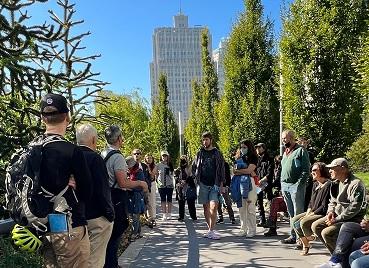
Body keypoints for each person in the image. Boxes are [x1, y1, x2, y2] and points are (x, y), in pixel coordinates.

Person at [38, 93, 92, 268]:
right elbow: (87, 192)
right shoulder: (72, 151)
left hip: (42, 227)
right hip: (70, 226)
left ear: (42, 118)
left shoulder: (31, 148)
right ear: (67, 117)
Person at [101, 125, 148, 268]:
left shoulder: (103, 153)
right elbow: (122, 182)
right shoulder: (117, 157)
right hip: (116, 197)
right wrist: (140, 183)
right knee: (116, 232)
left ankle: (109, 263)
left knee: (108, 234)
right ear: (119, 138)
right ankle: (111, 264)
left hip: (105, 196)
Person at [314, 158, 367, 268]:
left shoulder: (356, 184)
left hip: (352, 218)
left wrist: (337, 219)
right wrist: (330, 212)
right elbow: (332, 201)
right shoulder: (335, 183)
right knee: (316, 226)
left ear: (343, 169)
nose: (330, 171)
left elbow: (354, 208)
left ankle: (339, 261)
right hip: (337, 215)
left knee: (327, 232)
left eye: (333, 168)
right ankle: (335, 259)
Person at [76, 124, 115, 268]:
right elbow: (102, 190)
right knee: (95, 260)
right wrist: (110, 214)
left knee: (80, 259)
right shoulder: (95, 158)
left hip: (74, 218)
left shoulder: (69, 157)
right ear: (93, 139)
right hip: (96, 217)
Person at [291, 162, 331, 256]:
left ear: (321, 170)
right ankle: (307, 244)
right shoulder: (315, 184)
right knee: (294, 221)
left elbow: (324, 206)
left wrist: (311, 214)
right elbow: (311, 201)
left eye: (314, 170)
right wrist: (309, 211)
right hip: (313, 211)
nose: (312, 172)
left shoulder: (328, 185)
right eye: (311, 170)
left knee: (303, 222)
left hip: (322, 212)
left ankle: (311, 237)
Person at [192, 131, 225, 240]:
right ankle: (210, 230)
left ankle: (212, 229)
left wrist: (221, 184)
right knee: (205, 207)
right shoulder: (200, 153)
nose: (204, 142)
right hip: (203, 184)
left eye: (206, 139)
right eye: (203, 140)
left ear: (211, 140)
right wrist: (195, 178)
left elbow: (222, 169)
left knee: (214, 206)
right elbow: (194, 167)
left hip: (214, 184)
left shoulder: (217, 153)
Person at [280, 129, 311, 244]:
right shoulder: (285, 152)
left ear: (292, 138)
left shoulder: (300, 151)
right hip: (285, 185)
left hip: (295, 186)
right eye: (282, 138)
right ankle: (293, 235)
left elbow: (305, 170)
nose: (283, 140)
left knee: (298, 213)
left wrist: (299, 184)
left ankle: (300, 239)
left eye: (285, 138)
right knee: (291, 213)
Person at [233, 140, 258, 237]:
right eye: (241, 147)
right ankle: (243, 229)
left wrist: (239, 171)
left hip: (250, 183)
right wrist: (242, 171)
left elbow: (249, 171)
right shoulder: (238, 157)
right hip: (240, 183)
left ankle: (252, 230)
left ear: (249, 147)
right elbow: (234, 171)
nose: (242, 149)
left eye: (244, 147)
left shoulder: (253, 157)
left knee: (250, 207)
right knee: (241, 208)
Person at [126, 156, 145, 241]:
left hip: (137, 196)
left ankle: (134, 234)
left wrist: (130, 187)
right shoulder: (128, 172)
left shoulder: (139, 172)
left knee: (135, 215)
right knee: (133, 215)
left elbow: (141, 186)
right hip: (130, 196)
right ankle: (139, 232)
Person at [132, 149, 153, 228]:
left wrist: (148, 186)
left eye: (138, 153)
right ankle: (137, 228)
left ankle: (149, 220)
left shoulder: (144, 166)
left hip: (144, 189)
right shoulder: (130, 165)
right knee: (136, 210)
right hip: (135, 191)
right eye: (135, 154)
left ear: (141, 155)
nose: (136, 155)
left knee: (147, 204)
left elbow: (149, 177)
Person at [255, 143, 274, 227]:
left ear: (264, 148)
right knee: (259, 201)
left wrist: (262, 180)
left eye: (259, 147)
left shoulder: (269, 159)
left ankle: (271, 219)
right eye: (256, 148)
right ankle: (262, 219)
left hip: (266, 182)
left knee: (270, 200)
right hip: (258, 183)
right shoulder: (257, 159)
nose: (257, 149)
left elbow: (270, 173)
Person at [175, 155, 197, 221]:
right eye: (182, 159)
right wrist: (180, 182)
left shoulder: (190, 169)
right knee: (181, 203)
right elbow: (176, 178)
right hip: (181, 188)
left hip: (189, 187)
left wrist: (186, 181)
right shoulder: (178, 169)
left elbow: (192, 177)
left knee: (191, 203)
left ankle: (193, 216)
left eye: (185, 159)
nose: (183, 161)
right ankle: (181, 216)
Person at [156, 150, 174, 221]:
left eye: (165, 156)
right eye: (163, 156)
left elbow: (172, 175)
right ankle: (164, 214)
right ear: (161, 157)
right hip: (161, 185)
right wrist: (158, 181)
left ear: (167, 156)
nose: (164, 157)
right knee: (163, 200)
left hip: (169, 184)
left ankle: (169, 214)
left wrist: (169, 173)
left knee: (169, 200)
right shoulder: (158, 165)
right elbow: (155, 174)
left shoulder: (170, 164)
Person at [144, 153, 158, 226]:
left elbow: (152, 175)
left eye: (150, 158)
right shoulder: (143, 165)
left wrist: (148, 167)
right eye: (147, 158)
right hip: (144, 184)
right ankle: (147, 217)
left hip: (151, 184)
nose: (149, 159)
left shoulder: (154, 166)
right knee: (146, 201)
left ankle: (153, 217)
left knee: (152, 201)